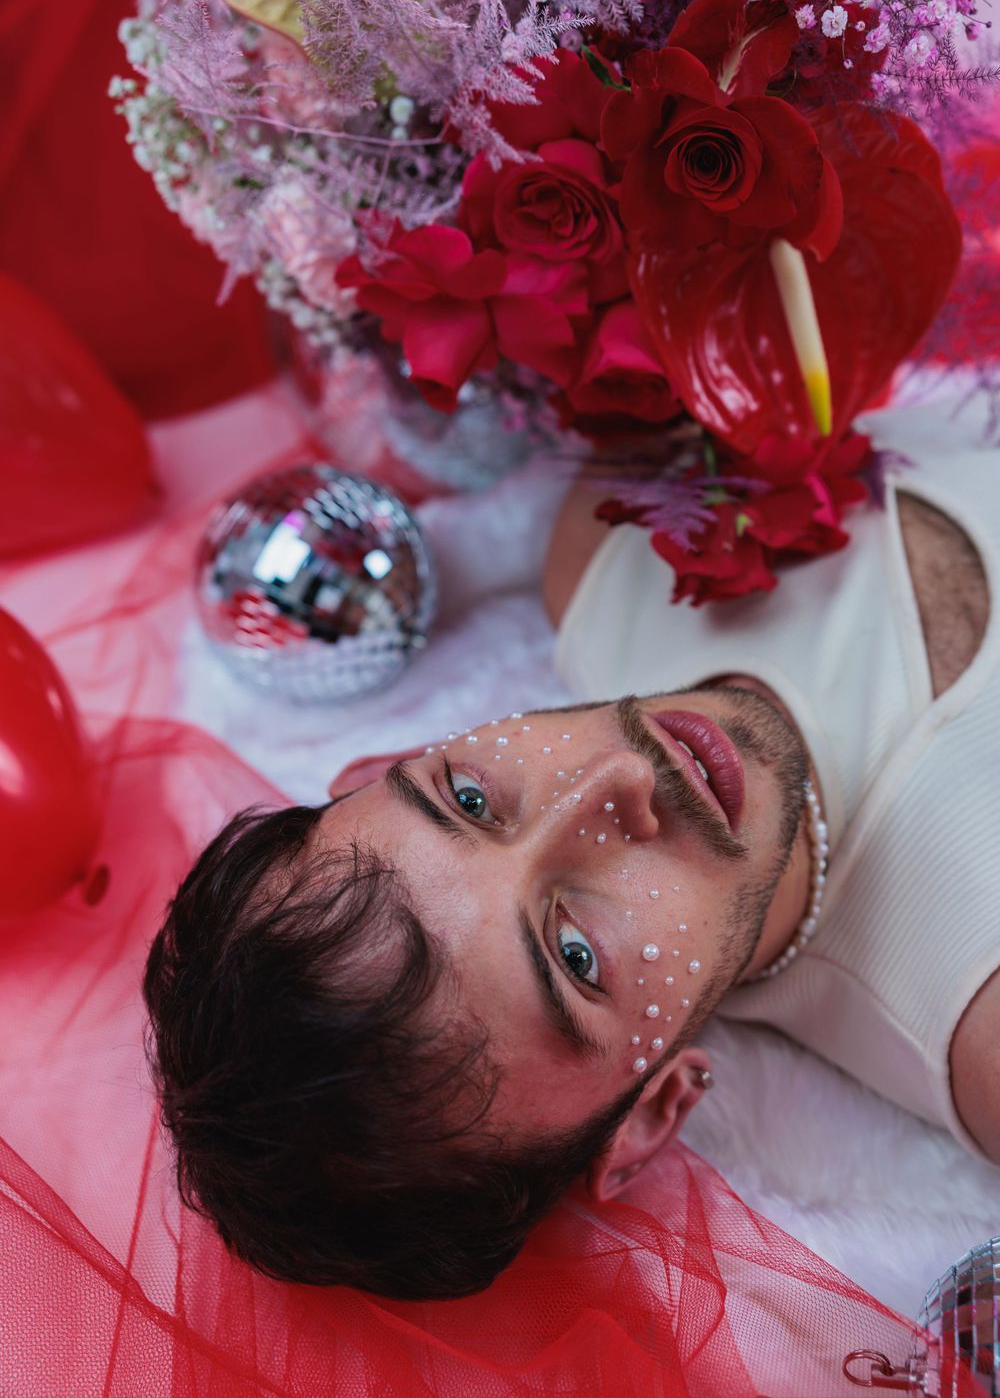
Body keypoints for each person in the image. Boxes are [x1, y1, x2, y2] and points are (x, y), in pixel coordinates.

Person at [142, 392, 999, 1301]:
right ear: (654, 1109)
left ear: (396, 756)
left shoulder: (608, 549)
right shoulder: (979, 1010)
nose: (620, 781)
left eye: (469, 797)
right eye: (577, 954)